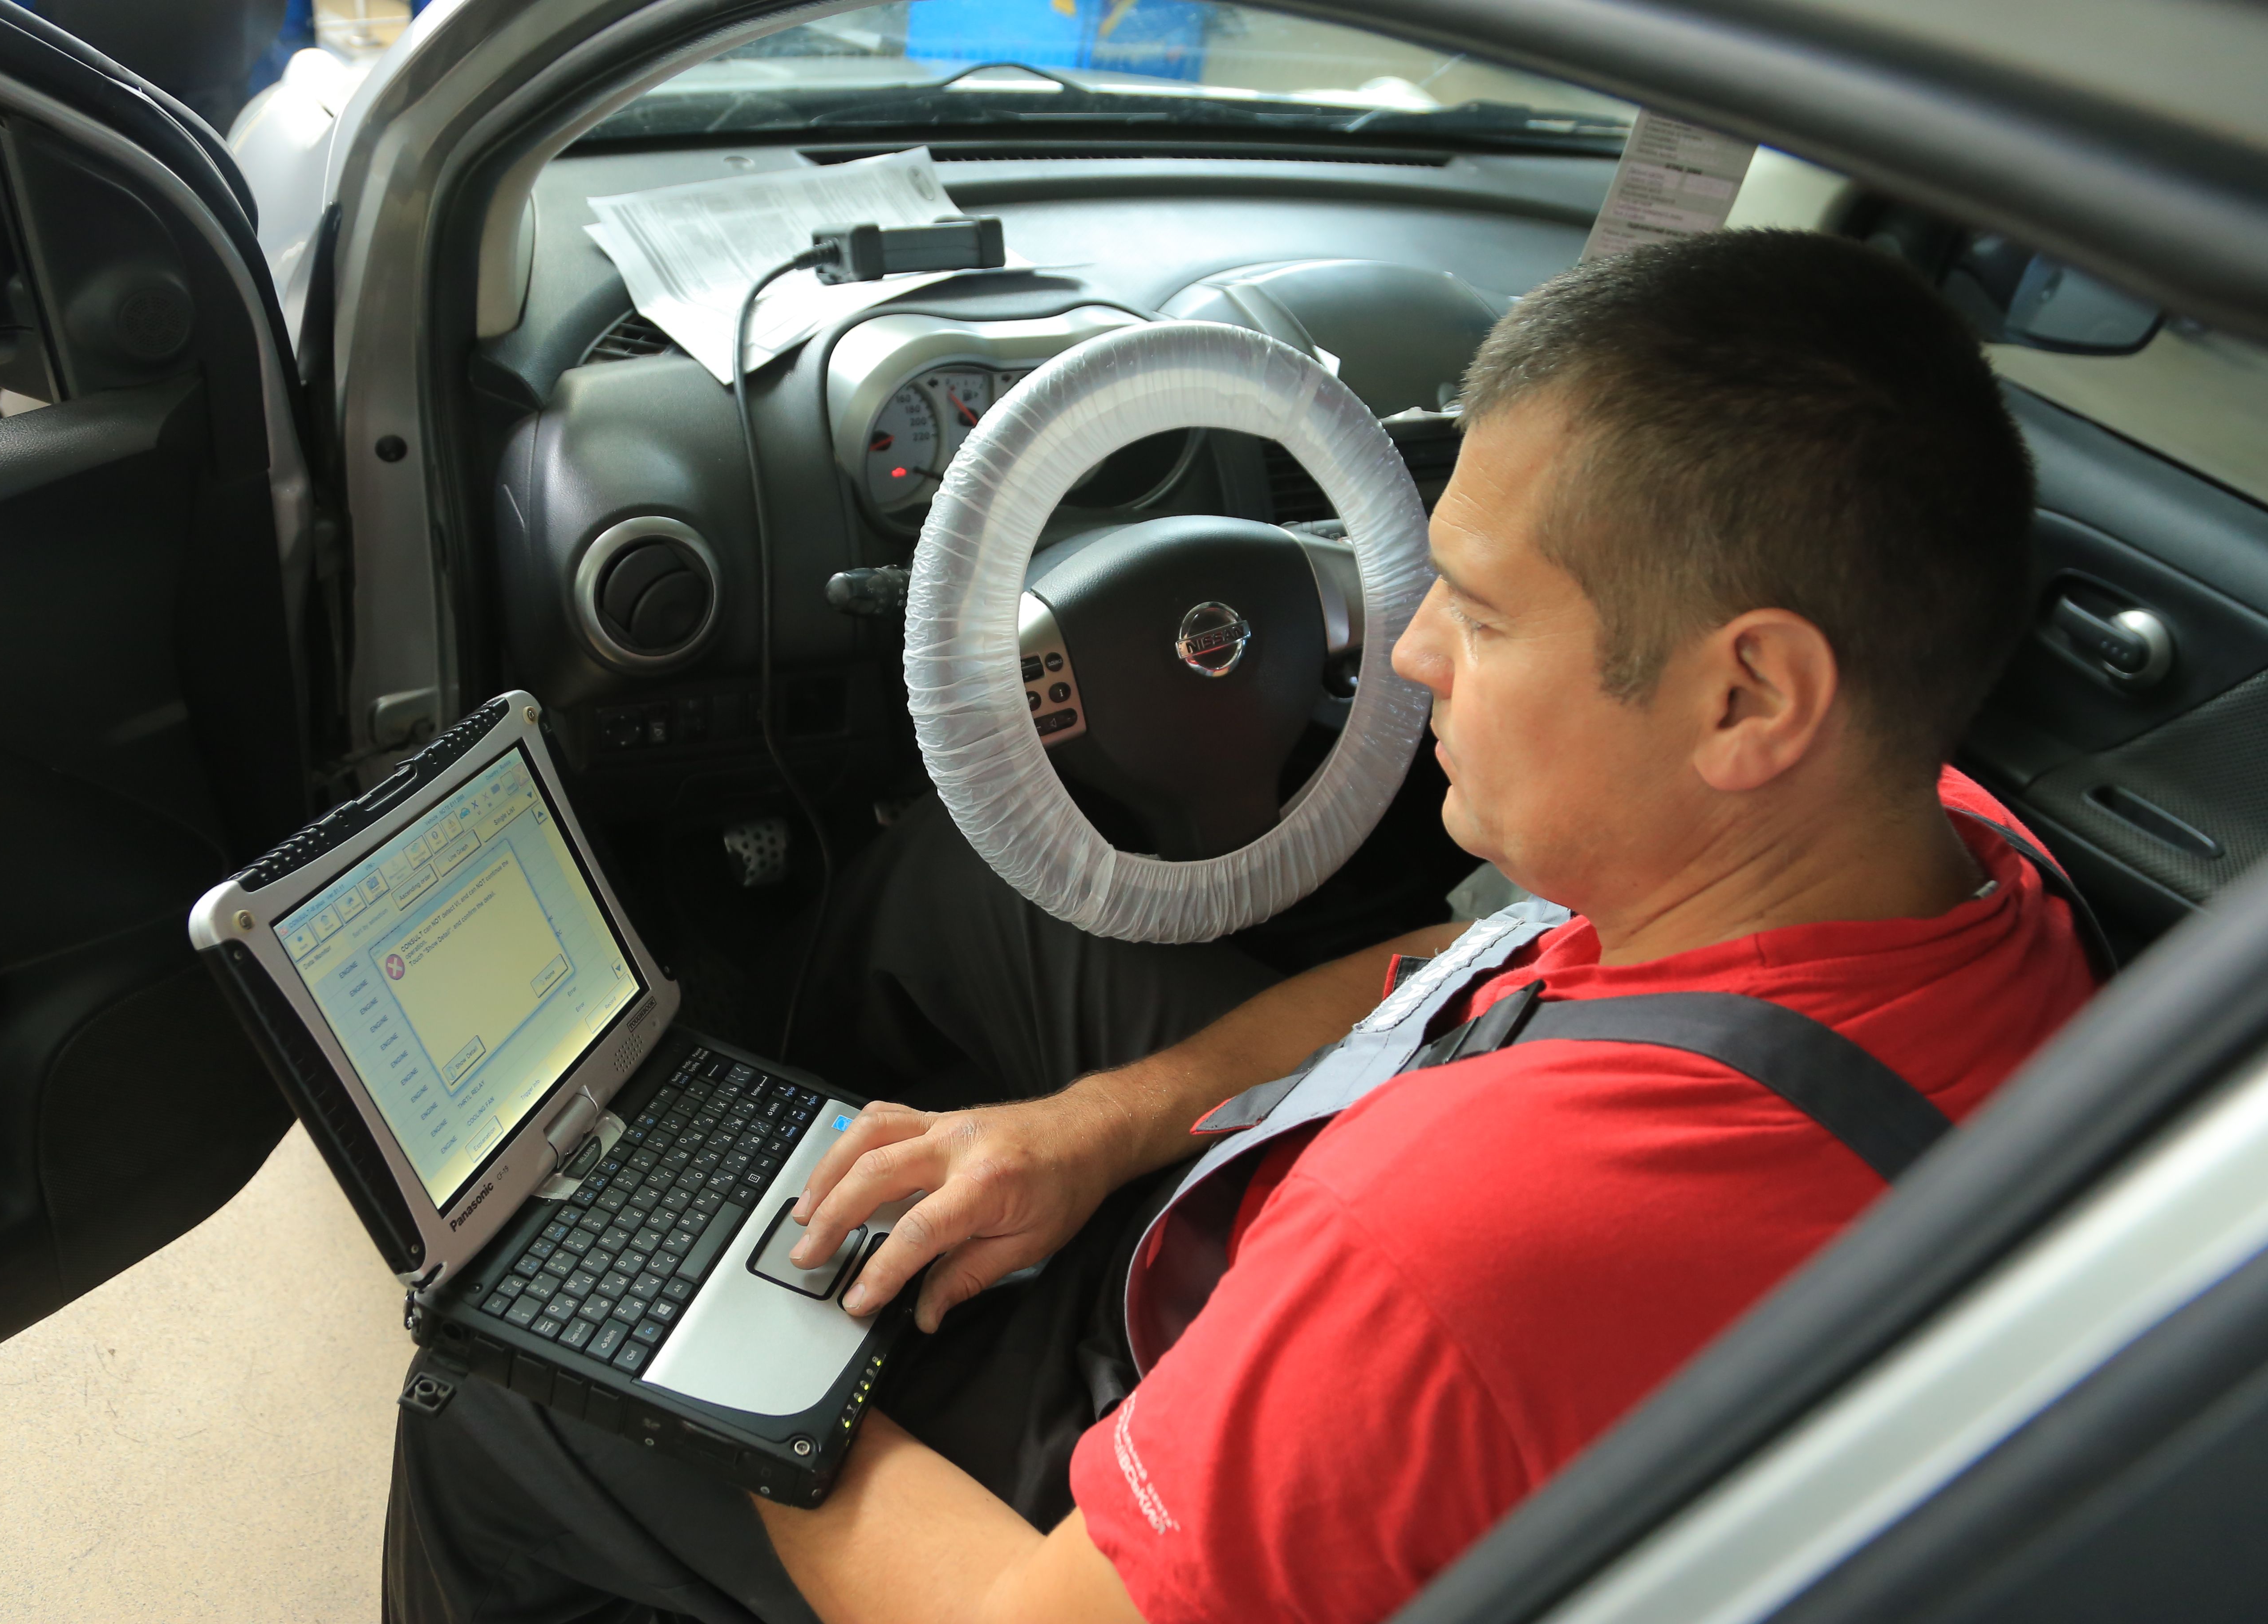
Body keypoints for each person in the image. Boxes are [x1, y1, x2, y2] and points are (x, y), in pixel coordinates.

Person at [384, 228, 2101, 1624]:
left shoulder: (1444, 1248)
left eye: (1485, 615)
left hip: (1234, 1394)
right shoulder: (1958, 851)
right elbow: (1464, 970)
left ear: (1750, 698)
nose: (1410, 654)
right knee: (964, 894)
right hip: (1351, 1214)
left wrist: (718, 1347)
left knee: (504, 1396)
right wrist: (1081, 1131)